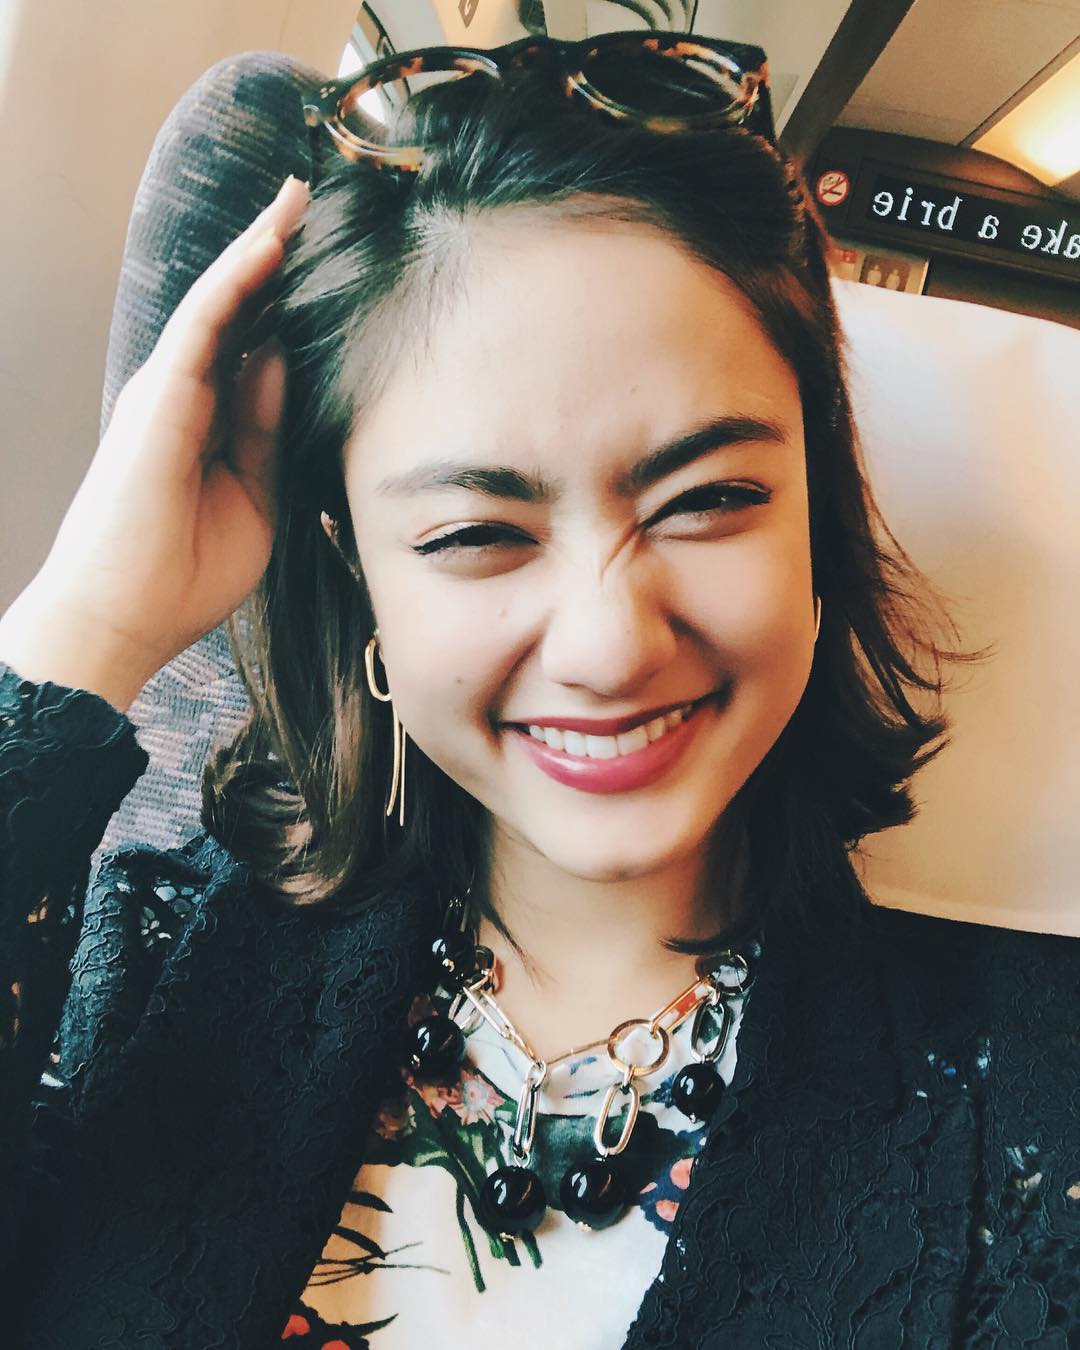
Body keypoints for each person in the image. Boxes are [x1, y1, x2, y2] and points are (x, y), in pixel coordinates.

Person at [0, 31, 1076, 1349]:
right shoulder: (167, 952)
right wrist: (86, 625)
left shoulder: (1026, 1109)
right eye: (474, 533)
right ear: (359, 571)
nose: (610, 646)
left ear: (819, 517)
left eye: (709, 499)